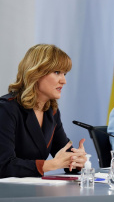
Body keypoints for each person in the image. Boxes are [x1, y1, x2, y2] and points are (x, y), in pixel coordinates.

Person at [0, 44, 87, 178]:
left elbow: (63, 154)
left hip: (33, 192)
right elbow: (4, 166)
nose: (63, 81)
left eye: (65, 74)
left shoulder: (51, 111)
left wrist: (76, 160)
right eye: (57, 72)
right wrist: (52, 164)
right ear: (36, 73)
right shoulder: (6, 109)